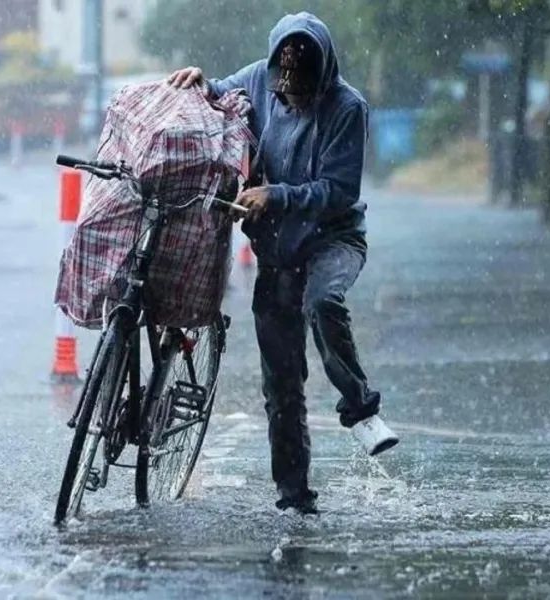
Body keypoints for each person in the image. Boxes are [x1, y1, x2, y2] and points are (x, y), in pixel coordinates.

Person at [169, 11, 398, 515]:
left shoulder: (347, 108)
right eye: (284, 90)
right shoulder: (258, 79)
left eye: (301, 91)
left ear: (324, 75)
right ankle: (294, 496)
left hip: (332, 240)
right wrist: (199, 83)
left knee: (324, 302)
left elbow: (339, 192)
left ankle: (359, 407)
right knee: (282, 386)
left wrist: (276, 195)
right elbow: (221, 94)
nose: (291, 98)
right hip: (277, 250)